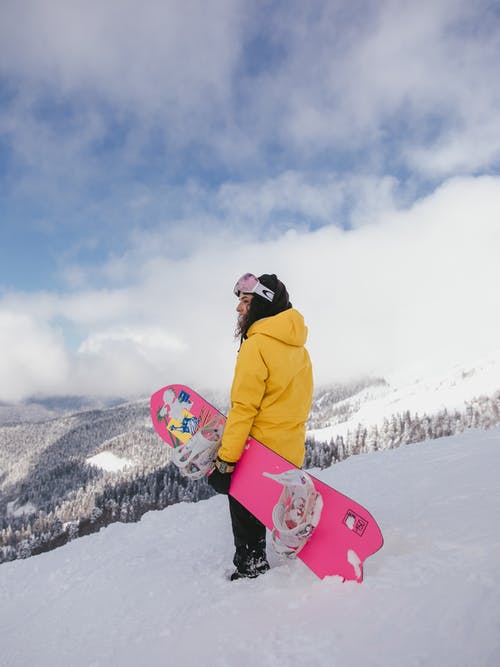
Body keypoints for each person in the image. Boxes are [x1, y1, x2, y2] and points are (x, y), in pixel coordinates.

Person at [208, 273, 313, 580]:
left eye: (245, 302)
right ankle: (287, 538)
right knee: (270, 504)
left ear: (261, 306)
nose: (239, 309)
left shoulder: (257, 346)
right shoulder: (299, 348)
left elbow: (244, 409)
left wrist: (227, 460)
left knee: (243, 505)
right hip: (289, 450)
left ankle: (251, 567)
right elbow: (301, 402)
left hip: (258, 450)